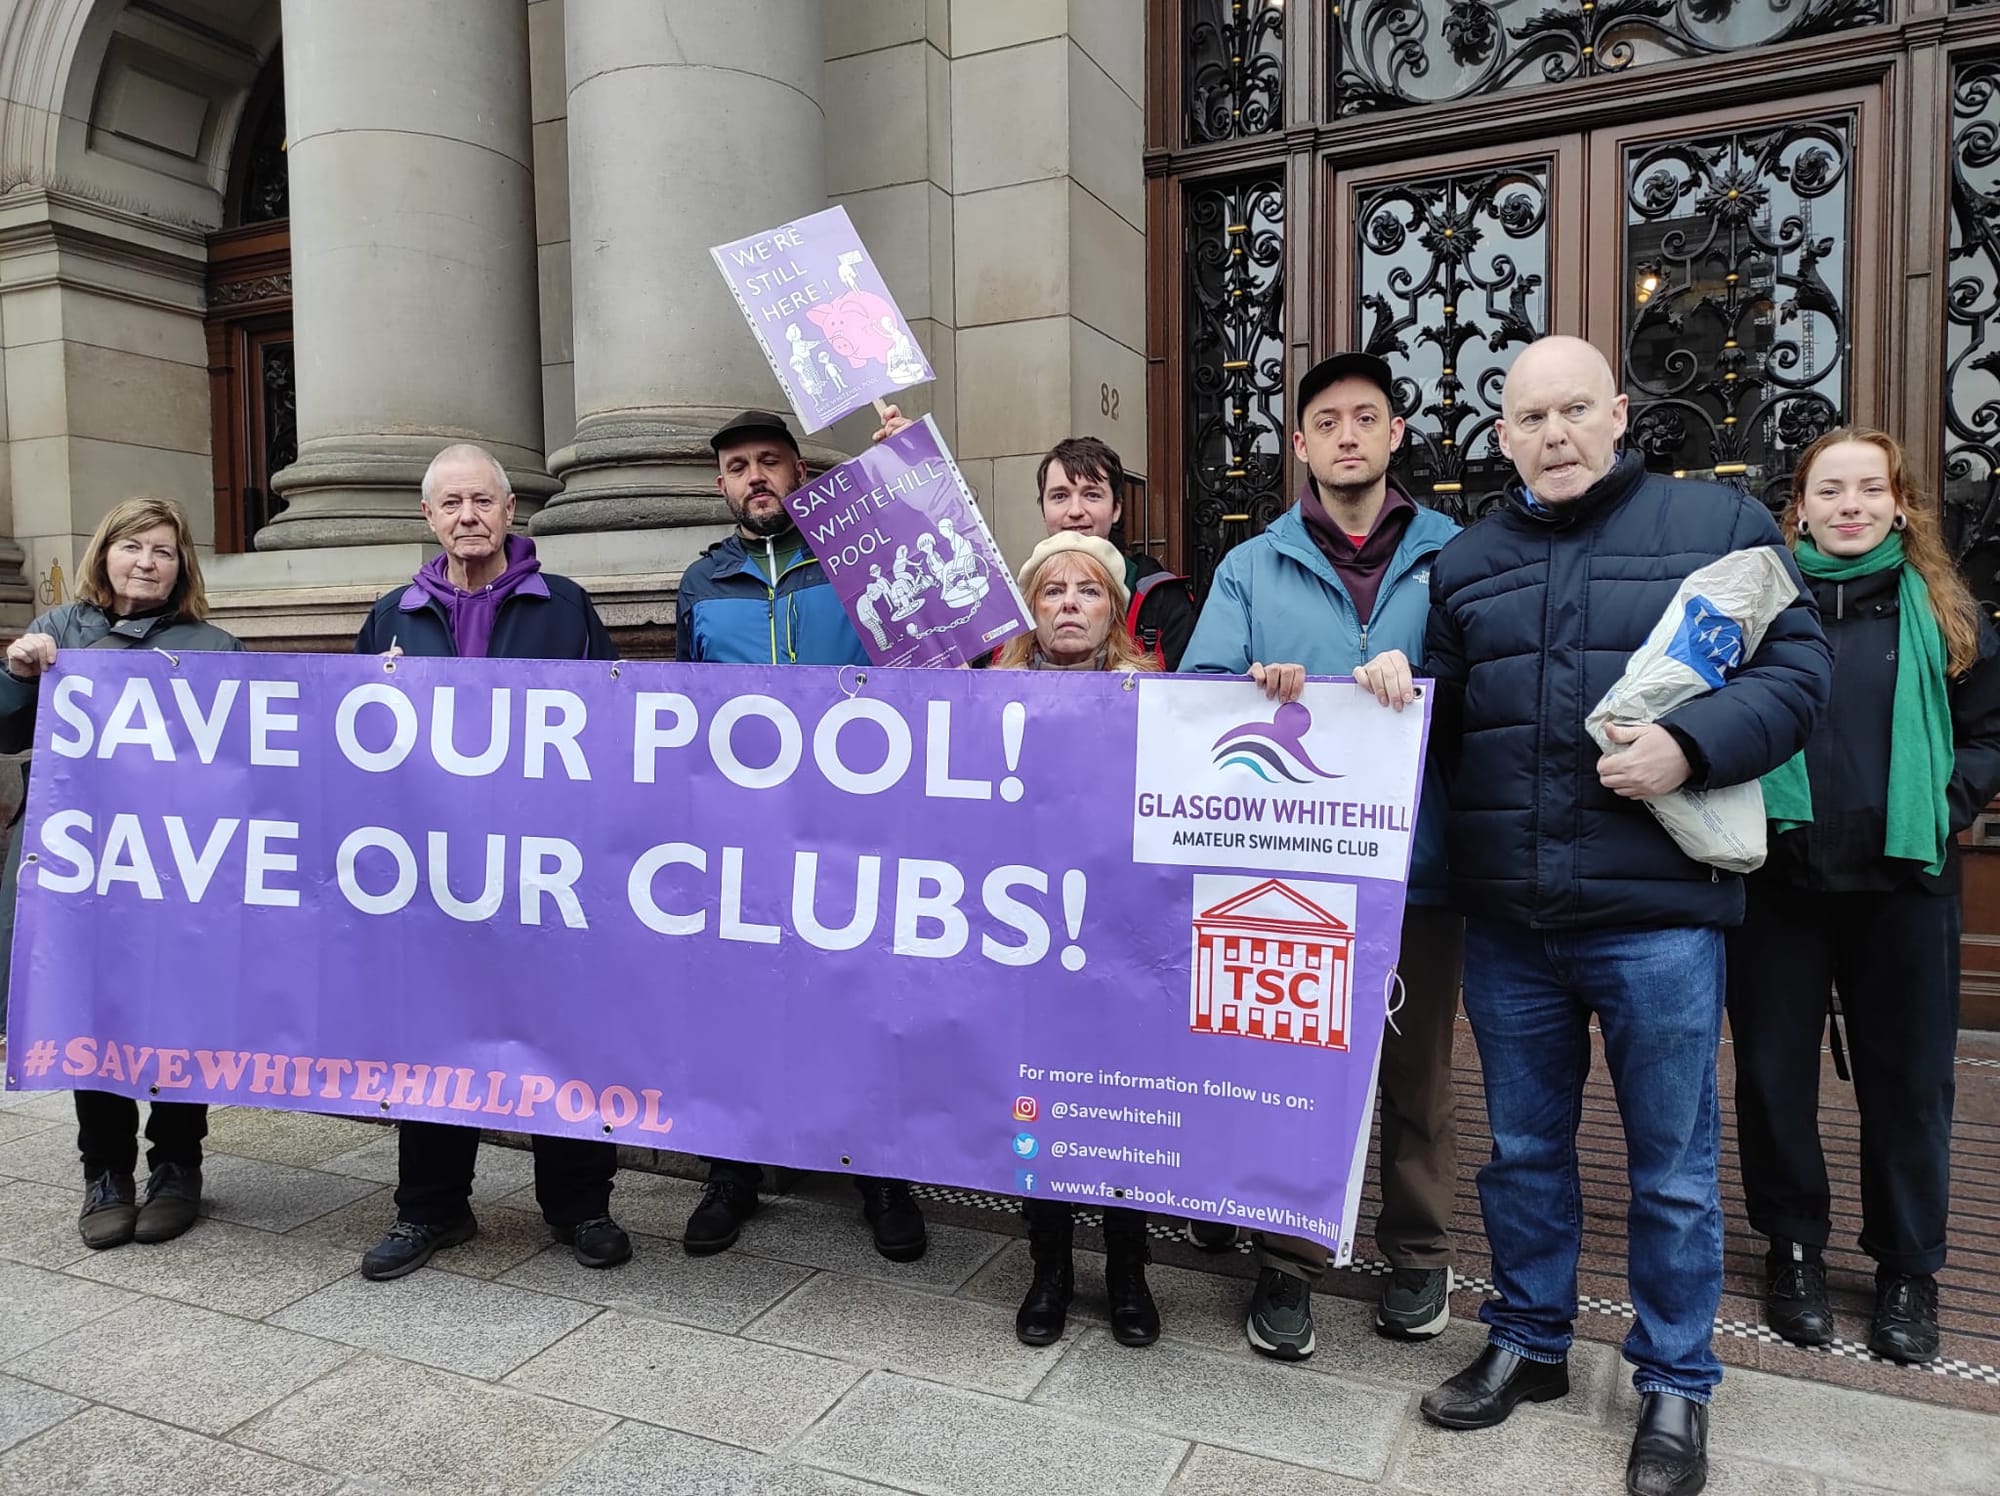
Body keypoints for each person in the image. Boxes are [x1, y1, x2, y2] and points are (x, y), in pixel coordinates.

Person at [1418, 337, 1830, 1496]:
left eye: (1571, 410)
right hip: (1510, 923)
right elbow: (1441, 726)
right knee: (1522, 1155)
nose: (1551, 434)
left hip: (1656, 917)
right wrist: (1378, 692)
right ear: (1501, 436)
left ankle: (1675, 1380)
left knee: (1672, 1169)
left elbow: (1796, 674)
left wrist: (1690, 744)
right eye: (1528, 417)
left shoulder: (1718, 526)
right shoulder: (1466, 562)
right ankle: (1527, 1339)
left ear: (1616, 414)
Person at [1182, 350, 1464, 1360]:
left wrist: (1421, 679)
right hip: (1290, 868)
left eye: (1366, 417)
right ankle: (1288, 1256)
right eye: (1328, 422)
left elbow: (1488, 684)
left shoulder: (1453, 556)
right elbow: (1196, 695)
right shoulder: (1250, 566)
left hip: (1420, 863)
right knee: (1291, 1066)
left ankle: (1418, 1252)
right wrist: (1252, 685)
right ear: (1299, 445)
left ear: (1396, 434)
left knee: (1417, 1073)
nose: (1348, 435)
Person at [1730, 428, 2000, 1366]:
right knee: (1773, 1077)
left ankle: (1907, 1270)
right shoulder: (1757, 608)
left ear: (1900, 504)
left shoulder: (1947, 613)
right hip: (1780, 881)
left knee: (1911, 1086)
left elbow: (1988, 732)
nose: (1851, 505)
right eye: (1830, 490)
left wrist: (1944, 805)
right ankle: (1793, 1248)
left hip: (1905, 884)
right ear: (1799, 509)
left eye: (1870, 489)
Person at [353, 443, 631, 1280]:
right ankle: (430, 1208)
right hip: (434, 874)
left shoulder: (566, 606)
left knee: (562, 1033)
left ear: (511, 511)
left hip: (546, 870)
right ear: (428, 517)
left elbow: (614, 730)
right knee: (433, 1035)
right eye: (451, 503)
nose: (467, 516)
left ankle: (580, 1206)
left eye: (482, 501)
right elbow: (359, 736)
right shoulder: (391, 615)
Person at [676, 409, 927, 1263]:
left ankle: (880, 1174)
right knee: (738, 1001)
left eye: (770, 462)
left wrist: (905, 480)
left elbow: (938, 626)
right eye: (738, 466)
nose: (756, 477)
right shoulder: (702, 582)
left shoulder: (856, 560)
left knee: (862, 996)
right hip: (742, 836)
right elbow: (686, 709)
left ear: (800, 474)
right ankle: (732, 1171)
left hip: (853, 823)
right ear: (721, 484)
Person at [0, 497, 245, 1249]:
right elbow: (6, 728)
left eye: (163, 551)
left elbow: (244, 759)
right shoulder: (58, 633)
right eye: (132, 546)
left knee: (181, 1006)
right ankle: (104, 1171)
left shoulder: (215, 646)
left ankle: (176, 1164)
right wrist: (16, 673)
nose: (146, 562)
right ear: (104, 554)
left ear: (182, 566)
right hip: (84, 862)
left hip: (177, 862)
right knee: (90, 1006)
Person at [993, 531, 1161, 1347]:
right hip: (1029, 935)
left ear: (1113, 610)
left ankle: (1128, 1267)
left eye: (1088, 590)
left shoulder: (1157, 700)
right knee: (1040, 1098)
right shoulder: (989, 700)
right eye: (1053, 590)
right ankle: (1049, 1266)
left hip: (1124, 936)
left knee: (1125, 1101)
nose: (1069, 604)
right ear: (1031, 608)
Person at [874, 408, 1195, 668]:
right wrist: (912, 465)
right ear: (1043, 509)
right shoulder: (1005, 606)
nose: (1075, 511)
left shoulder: (1162, 600)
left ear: (1116, 509)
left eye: (1092, 495)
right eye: (1059, 496)